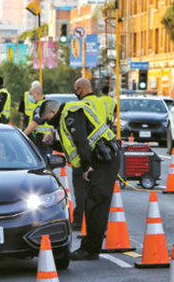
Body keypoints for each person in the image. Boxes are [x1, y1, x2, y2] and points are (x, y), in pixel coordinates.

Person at [40, 99, 121, 261]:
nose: (49, 123)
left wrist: (86, 167)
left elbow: (81, 140)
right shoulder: (65, 119)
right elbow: (72, 147)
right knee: (93, 203)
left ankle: (90, 249)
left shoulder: (70, 115)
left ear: (52, 113)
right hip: (100, 157)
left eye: (48, 119)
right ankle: (91, 247)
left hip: (104, 157)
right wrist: (53, 143)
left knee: (95, 202)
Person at [72, 78, 109, 230]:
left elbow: (81, 133)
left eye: (76, 90)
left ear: (81, 88)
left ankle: (80, 221)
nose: (75, 93)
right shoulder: (102, 103)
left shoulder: (82, 105)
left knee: (81, 188)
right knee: (95, 191)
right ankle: (95, 222)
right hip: (101, 153)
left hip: (86, 153)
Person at [23, 86, 54, 159]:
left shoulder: (41, 107)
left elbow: (34, 123)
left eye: (31, 94)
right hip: (46, 140)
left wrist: (23, 135)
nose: (30, 96)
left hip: (42, 141)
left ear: (38, 94)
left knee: (42, 164)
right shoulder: (44, 105)